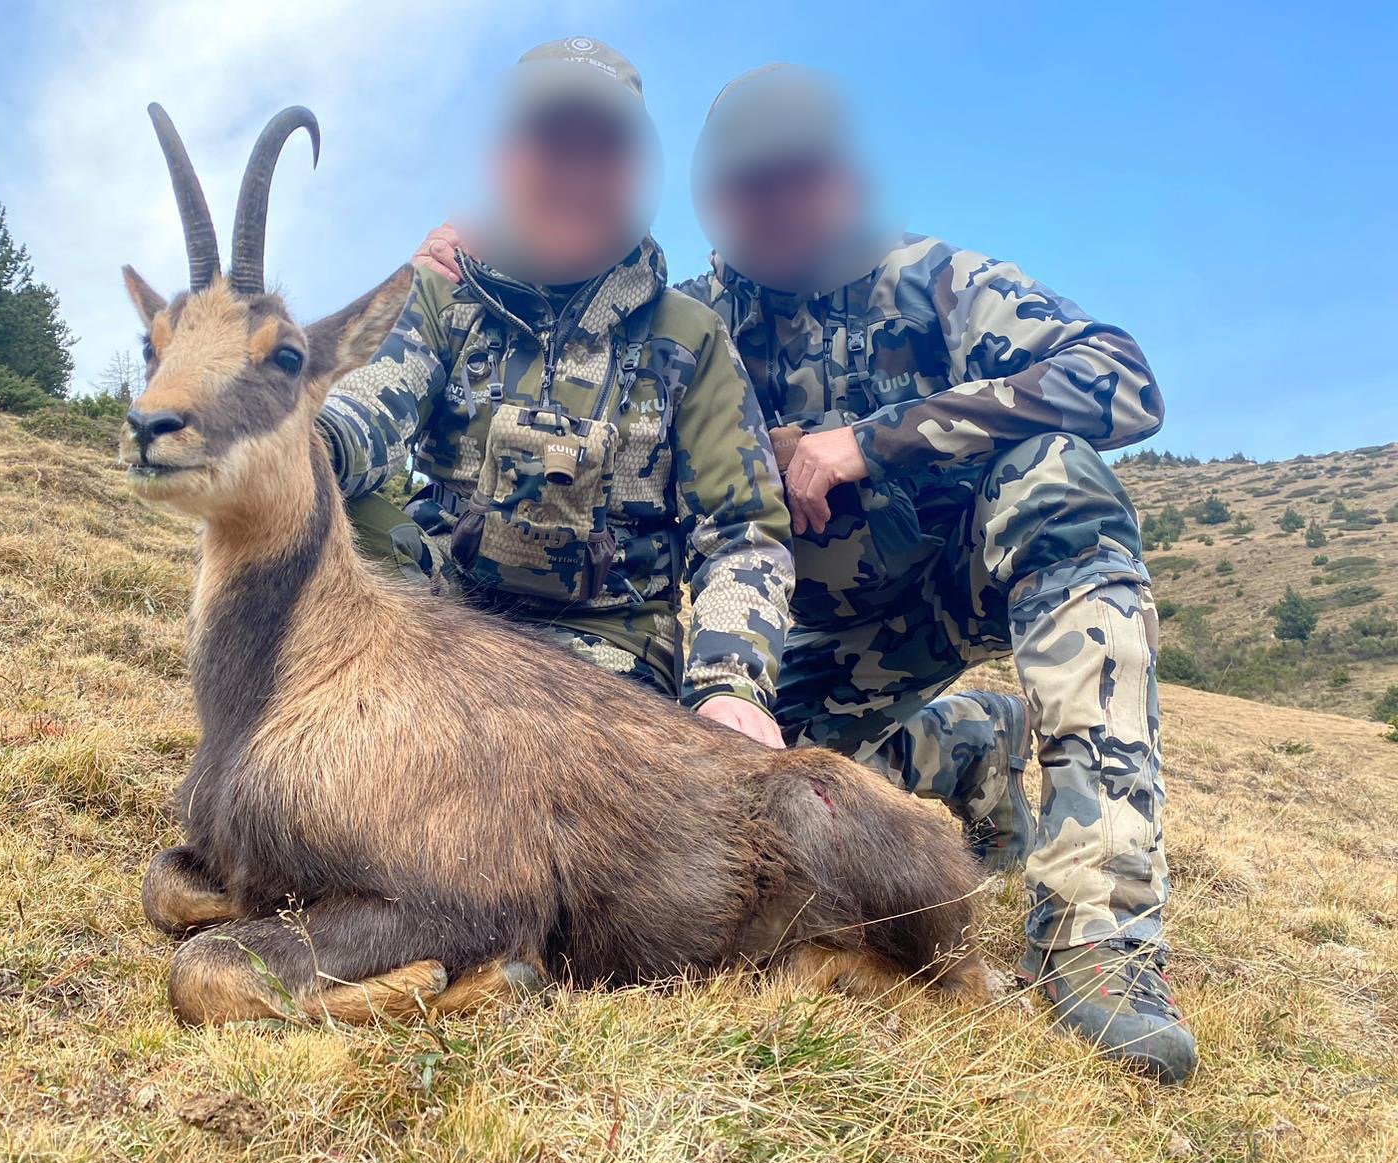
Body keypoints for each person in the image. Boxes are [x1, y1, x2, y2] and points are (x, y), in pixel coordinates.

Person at [415, 64, 1196, 1084]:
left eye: (796, 176)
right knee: (750, 836)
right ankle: (958, 747)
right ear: (708, 200)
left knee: (1064, 481)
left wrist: (868, 443)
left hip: (941, 591)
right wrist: (480, 272)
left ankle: (1099, 930)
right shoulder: (688, 321)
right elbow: (570, 330)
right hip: (787, 655)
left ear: (841, 180)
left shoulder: (934, 283)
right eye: (745, 185)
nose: (773, 204)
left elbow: (1120, 378)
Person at [317, 38, 795, 749]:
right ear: (506, 161)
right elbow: (364, 415)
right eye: (551, 144)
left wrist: (731, 686)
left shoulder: (690, 339)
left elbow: (743, 530)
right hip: (426, 615)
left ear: (635, 174)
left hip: (606, 664)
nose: (576, 174)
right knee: (319, 497)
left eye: (602, 149)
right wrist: (305, 447)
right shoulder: (442, 293)